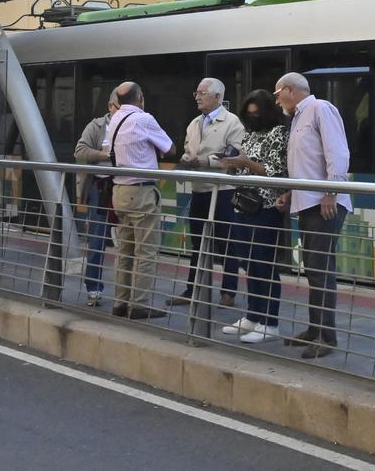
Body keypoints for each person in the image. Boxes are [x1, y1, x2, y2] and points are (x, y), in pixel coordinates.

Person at [274, 72, 351, 359]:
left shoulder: (320, 109)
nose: (277, 98)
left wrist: (331, 191)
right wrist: (292, 193)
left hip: (324, 203)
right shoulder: (298, 118)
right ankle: (315, 328)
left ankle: (326, 336)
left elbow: (338, 153)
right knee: (314, 269)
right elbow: (306, 164)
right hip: (309, 202)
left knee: (320, 270)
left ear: (290, 90)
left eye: (278, 93)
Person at [218, 90, 289, 343]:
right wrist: (232, 164)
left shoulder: (279, 133)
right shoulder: (248, 135)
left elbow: (274, 170)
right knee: (247, 261)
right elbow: (243, 168)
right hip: (242, 205)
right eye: (248, 113)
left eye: (256, 112)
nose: (252, 117)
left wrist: (246, 163)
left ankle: (270, 322)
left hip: (266, 207)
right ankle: (253, 315)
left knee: (264, 264)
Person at [168, 78, 246, 307]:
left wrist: (202, 161)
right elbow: (187, 149)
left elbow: (234, 156)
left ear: (217, 97)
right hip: (199, 189)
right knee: (198, 243)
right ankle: (194, 290)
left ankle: (228, 292)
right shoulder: (194, 123)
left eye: (202, 92)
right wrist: (186, 159)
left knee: (226, 241)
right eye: (197, 92)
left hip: (222, 190)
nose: (198, 96)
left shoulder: (233, 123)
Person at [105, 81, 175, 320]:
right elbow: (170, 148)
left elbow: (107, 151)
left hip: (119, 192)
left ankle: (120, 303)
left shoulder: (114, 120)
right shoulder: (144, 119)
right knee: (146, 252)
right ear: (140, 97)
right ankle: (140, 305)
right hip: (142, 192)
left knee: (125, 251)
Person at [73, 92, 119, 307]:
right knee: (97, 239)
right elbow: (80, 151)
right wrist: (105, 155)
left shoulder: (135, 123)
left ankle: (128, 292)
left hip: (126, 186)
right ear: (111, 106)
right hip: (101, 188)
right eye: (121, 106)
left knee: (128, 242)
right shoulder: (96, 126)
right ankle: (93, 288)